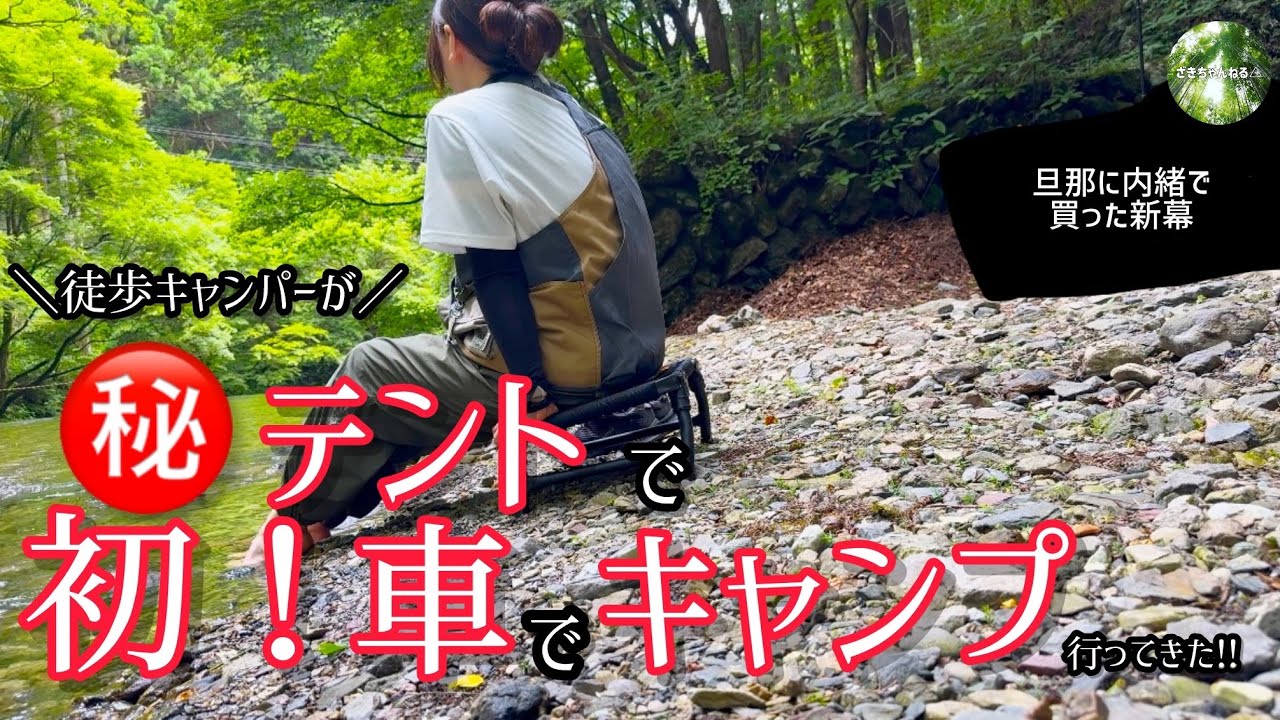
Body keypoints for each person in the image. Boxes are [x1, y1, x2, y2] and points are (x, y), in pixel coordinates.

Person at [239, 0, 667, 564]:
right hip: (635, 350)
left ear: (448, 38)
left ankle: (289, 520)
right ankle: (323, 513)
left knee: (369, 368)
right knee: (414, 372)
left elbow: (492, 272)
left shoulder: (459, 117)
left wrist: (529, 392)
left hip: (578, 366)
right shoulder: (568, 108)